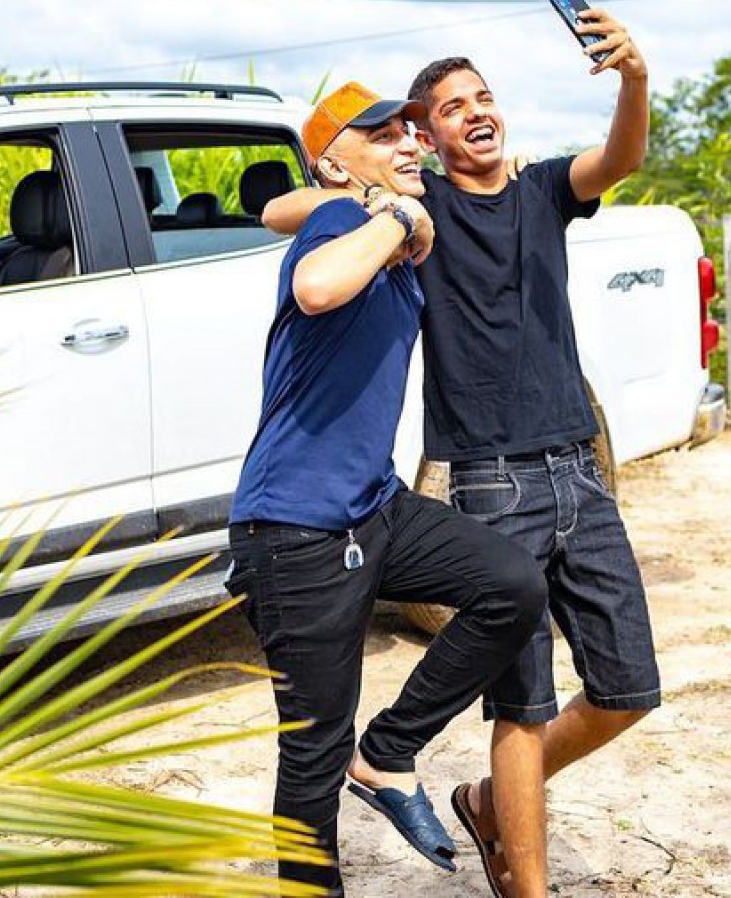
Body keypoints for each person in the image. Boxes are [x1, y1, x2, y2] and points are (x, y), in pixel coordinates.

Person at [262, 8, 657, 898]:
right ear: (429, 142)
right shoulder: (412, 209)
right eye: (447, 108)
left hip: (579, 472)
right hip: (486, 480)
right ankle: (528, 883)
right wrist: (387, 200)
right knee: (521, 706)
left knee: (627, 689)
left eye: (484, 98)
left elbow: (621, 158)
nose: (474, 112)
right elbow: (280, 208)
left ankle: (482, 803)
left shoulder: (545, 189)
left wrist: (633, 75)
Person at [227, 80, 548, 898]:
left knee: (511, 584)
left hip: (373, 506)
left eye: (411, 130)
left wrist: (400, 215)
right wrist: (398, 216)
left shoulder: (370, 219)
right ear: (337, 163)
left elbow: (277, 209)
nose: (409, 142)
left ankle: (390, 751)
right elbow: (316, 288)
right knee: (310, 753)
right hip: (294, 528)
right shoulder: (351, 222)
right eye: (384, 135)